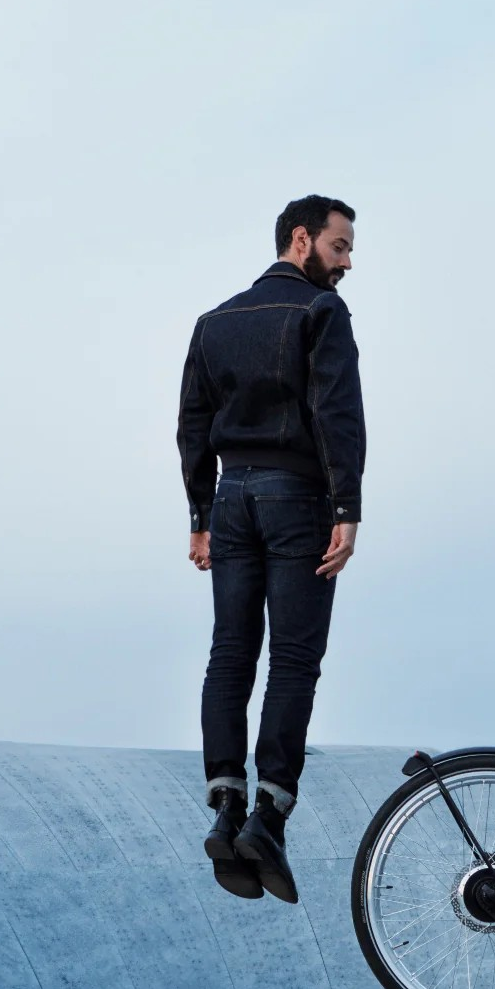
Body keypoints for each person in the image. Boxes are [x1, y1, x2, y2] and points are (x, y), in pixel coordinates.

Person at [176, 194, 364, 902]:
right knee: (292, 659)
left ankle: (224, 803)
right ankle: (269, 816)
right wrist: (346, 506)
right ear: (301, 239)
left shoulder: (214, 321)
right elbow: (336, 411)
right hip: (297, 498)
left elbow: (192, 423)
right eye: (339, 247)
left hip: (230, 500)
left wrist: (199, 514)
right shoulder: (321, 313)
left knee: (230, 652)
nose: (346, 264)